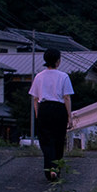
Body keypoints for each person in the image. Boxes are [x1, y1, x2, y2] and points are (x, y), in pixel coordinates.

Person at [28, 48, 74, 182]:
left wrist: (38, 114)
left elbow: (35, 98)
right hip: (59, 109)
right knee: (59, 140)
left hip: (44, 108)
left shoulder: (39, 76)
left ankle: (50, 169)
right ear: (58, 61)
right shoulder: (64, 76)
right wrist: (69, 117)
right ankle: (56, 169)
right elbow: (66, 98)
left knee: (46, 141)